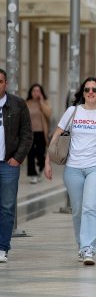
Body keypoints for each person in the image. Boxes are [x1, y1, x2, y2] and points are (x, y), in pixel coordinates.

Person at [44, 77, 96, 266]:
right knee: (77, 211)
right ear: (83, 93)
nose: (90, 92)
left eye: (94, 89)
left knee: (91, 207)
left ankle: (88, 248)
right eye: (87, 89)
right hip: (73, 168)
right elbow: (56, 137)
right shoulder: (72, 112)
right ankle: (81, 246)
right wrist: (47, 161)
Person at [0, 68, 33, 263]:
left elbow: (27, 134)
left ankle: (2, 247)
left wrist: (18, 158)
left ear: (6, 84)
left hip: (8, 165)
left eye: (0, 81)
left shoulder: (17, 104)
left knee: (6, 207)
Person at [26, 84, 52, 184]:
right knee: (30, 154)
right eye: (34, 91)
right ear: (31, 92)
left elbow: (48, 114)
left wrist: (41, 102)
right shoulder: (27, 103)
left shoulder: (45, 102)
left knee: (40, 154)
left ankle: (41, 168)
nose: (36, 93)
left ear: (41, 92)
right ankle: (33, 174)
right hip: (29, 133)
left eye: (38, 91)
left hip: (41, 133)